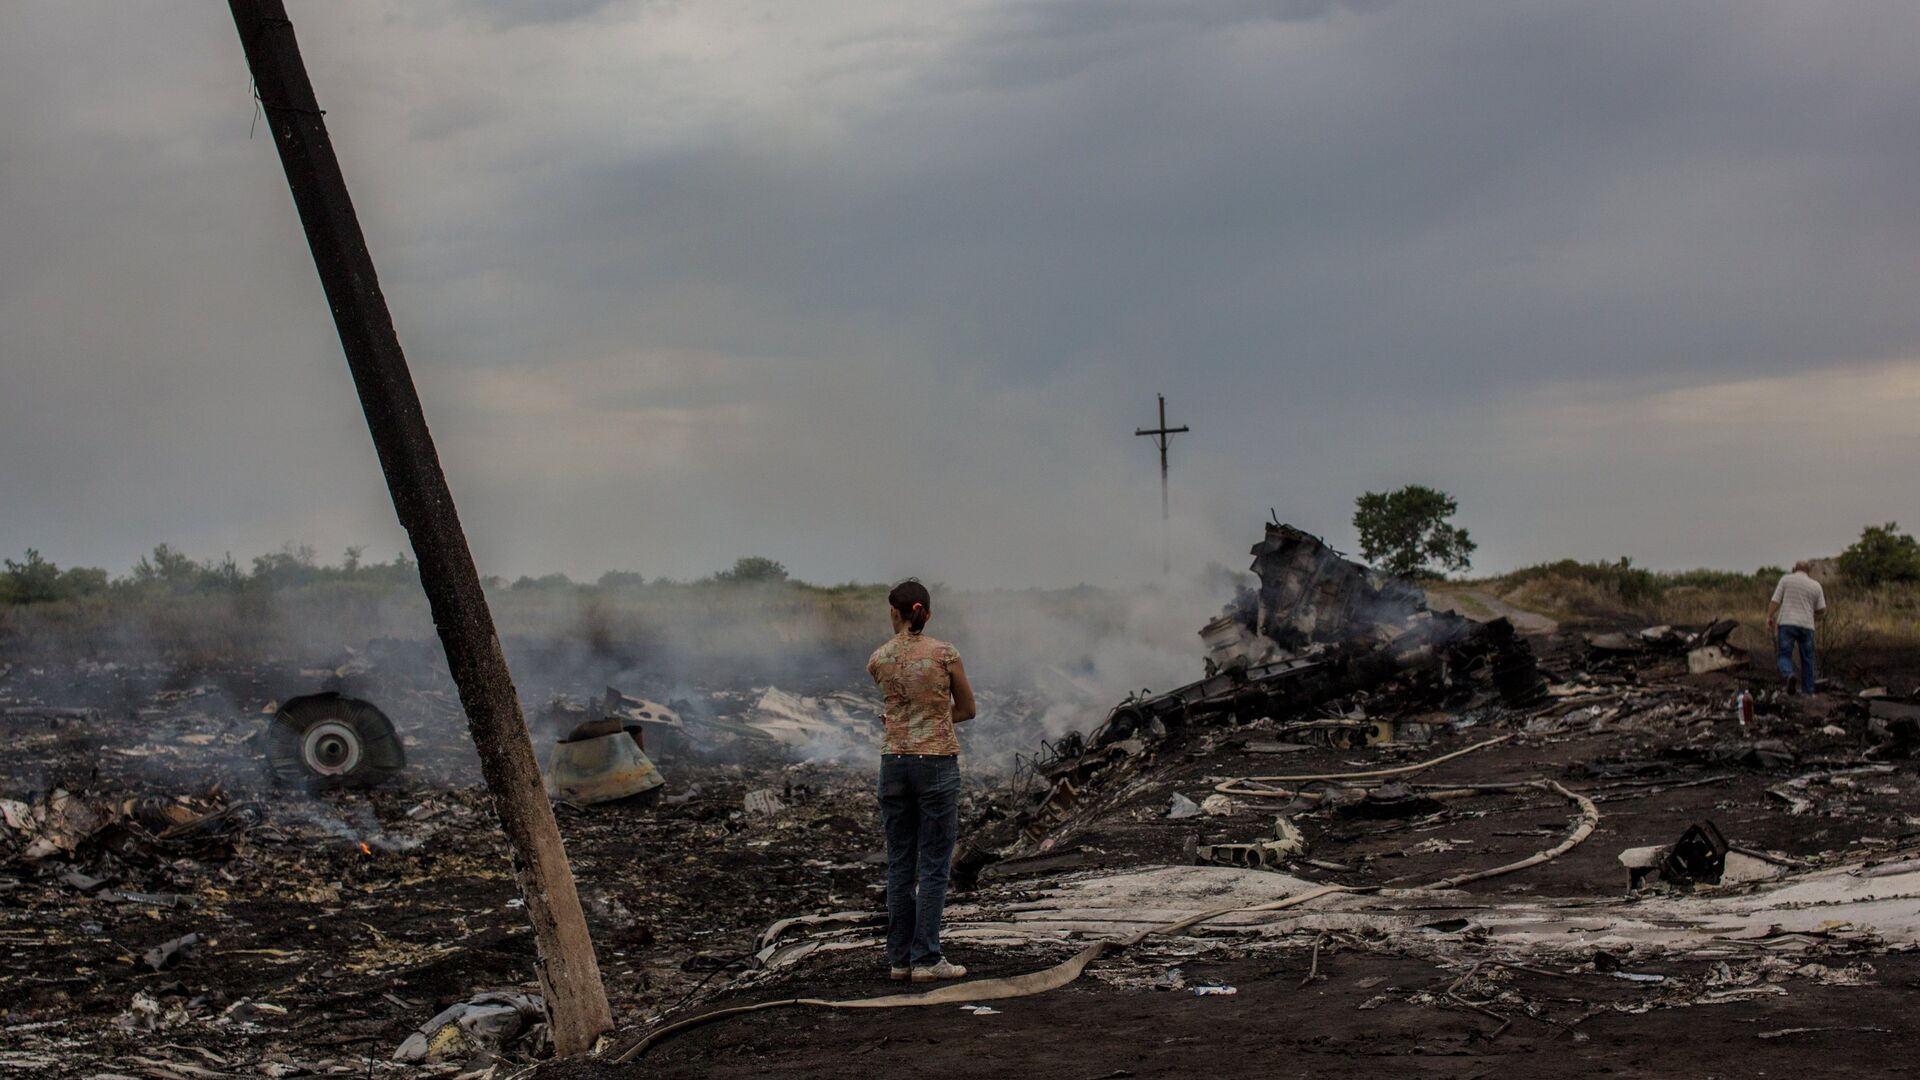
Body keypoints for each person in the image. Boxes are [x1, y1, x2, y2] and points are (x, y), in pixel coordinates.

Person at [867, 579, 977, 982]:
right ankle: (927, 958)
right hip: (934, 763)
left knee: (899, 862)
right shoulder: (945, 653)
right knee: (933, 863)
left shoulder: (878, 658)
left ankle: (899, 960)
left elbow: (898, 707)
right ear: (926, 613)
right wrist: (934, 719)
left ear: (894, 613)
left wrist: (904, 721)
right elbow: (967, 708)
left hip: (892, 764)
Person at [1767, 561, 1827, 696]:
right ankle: (1808, 692)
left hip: (1787, 623)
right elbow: (1822, 609)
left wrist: (1769, 617)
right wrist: (1813, 617)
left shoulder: (1786, 580)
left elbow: (1775, 601)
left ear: (1794, 569)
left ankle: (1789, 675)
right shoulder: (1815, 585)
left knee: (1783, 655)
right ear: (1808, 571)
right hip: (1807, 626)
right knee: (1807, 659)